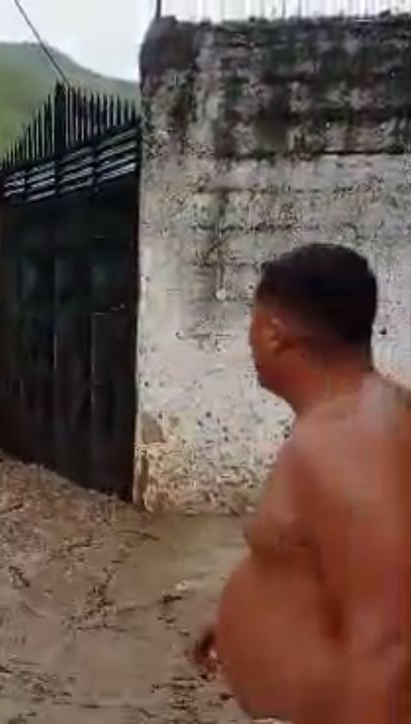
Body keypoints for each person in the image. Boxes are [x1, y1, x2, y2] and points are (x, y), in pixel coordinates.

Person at [192, 244, 409, 723]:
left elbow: (391, 643)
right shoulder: (359, 418)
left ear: (273, 332)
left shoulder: (351, 437)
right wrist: (245, 621)